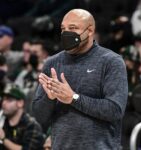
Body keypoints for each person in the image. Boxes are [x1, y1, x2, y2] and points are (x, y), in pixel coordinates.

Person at [32, 9, 128, 150]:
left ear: (89, 31)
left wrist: (73, 98)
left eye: (73, 28)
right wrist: (50, 99)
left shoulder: (111, 61)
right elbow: (39, 117)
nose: (66, 34)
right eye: (63, 29)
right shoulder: (52, 63)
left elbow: (115, 110)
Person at [0, 84, 45, 150]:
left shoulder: (32, 125)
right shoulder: (4, 121)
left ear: (20, 103)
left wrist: (3, 139)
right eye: (3, 100)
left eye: (9, 100)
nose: (3, 103)